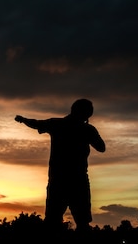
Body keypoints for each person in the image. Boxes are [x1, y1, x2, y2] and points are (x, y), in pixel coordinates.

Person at [15, 98, 105, 232]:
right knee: (81, 222)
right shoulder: (87, 129)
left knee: (53, 221)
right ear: (87, 114)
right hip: (77, 180)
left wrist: (23, 120)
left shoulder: (57, 124)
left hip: (59, 180)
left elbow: (36, 124)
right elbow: (101, 147)